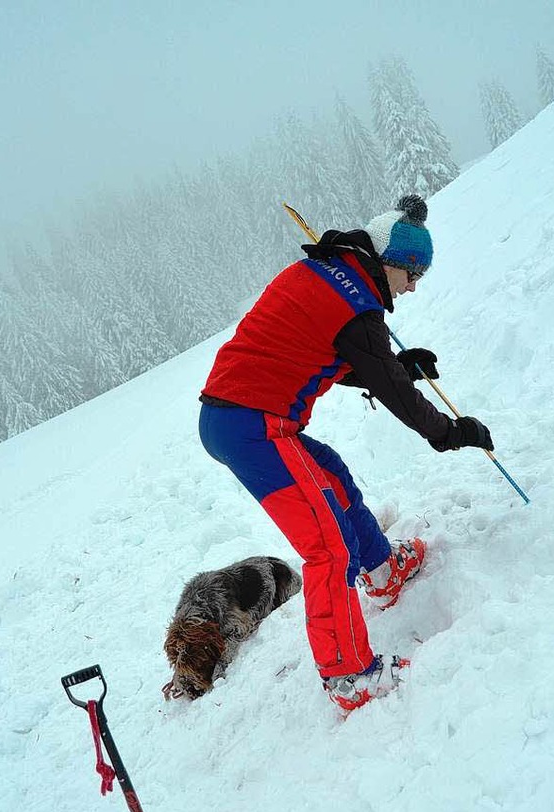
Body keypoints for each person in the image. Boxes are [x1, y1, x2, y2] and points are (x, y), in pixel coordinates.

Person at [198, 195, 493, 712]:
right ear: (389, 263)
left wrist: (397, 364)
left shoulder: (331, 274)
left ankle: (383, 569)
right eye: (413, 273)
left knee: (330, 475)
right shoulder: (357, 303)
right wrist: (449, 431)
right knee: (327, 545)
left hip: (241, 417)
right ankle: (349, 674)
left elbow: (324, 353)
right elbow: (390, 387)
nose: (414, 285)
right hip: (253, 425)